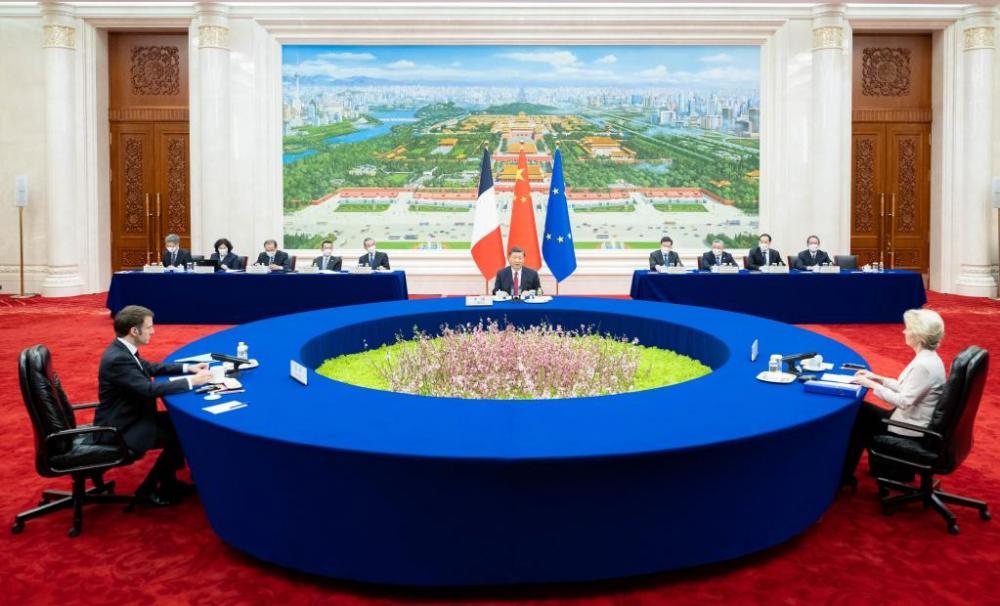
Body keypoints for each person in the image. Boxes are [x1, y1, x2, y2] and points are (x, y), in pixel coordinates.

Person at [94, 305, 212, 506]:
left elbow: (149, 367)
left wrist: (188, 368)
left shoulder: (122, 349)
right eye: (149, 327)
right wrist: (193, 381)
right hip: (122, 427)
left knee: (182, 425)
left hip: (132, 415)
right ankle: (148, 490)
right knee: (181, 435)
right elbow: (148, 389)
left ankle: (168, 482)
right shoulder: (117, 359)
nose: (153, 331)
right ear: (134, 331)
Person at [840, 309, 947, 490]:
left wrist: (872, 385)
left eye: (908, 329)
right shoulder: (929, 359)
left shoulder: (923, 366)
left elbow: (903, 401)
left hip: (909, 428)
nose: (904, 331)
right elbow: (907, 388)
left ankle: (845, 476)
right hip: (912, 420)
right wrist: (877, 378)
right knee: (862, 411)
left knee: (859, 419)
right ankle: (859, 472)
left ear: (918, 335)